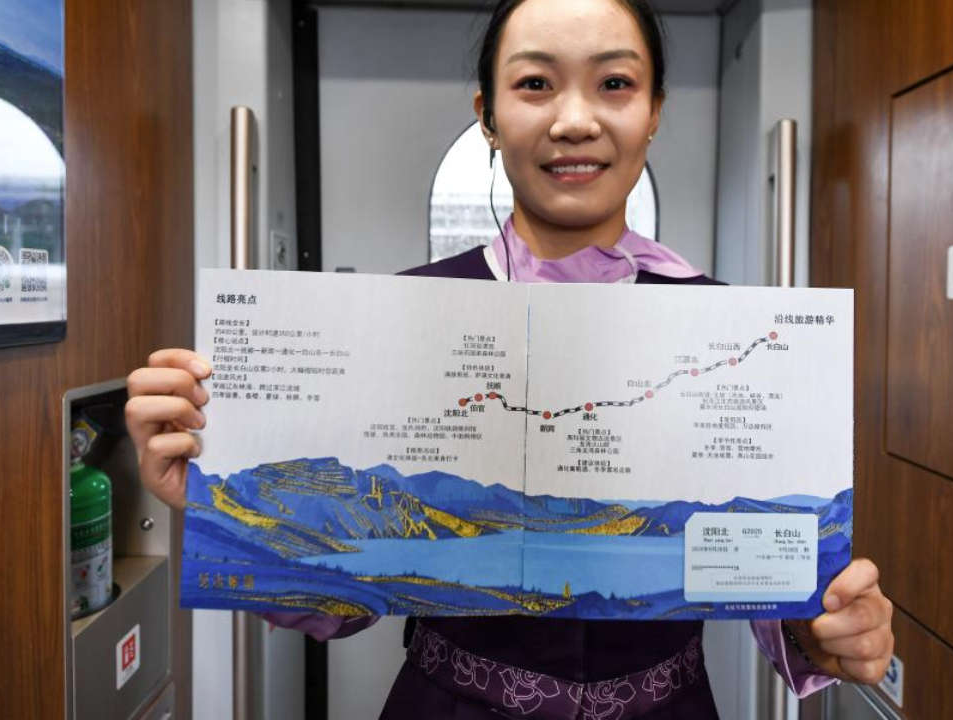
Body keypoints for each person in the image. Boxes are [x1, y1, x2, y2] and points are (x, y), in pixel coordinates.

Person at [125, 0, 894, 716]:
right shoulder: (401, 317)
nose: (575, 120)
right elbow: (339, 592)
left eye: (615, 84)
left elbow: (769, 577)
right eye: (535, 84)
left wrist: (824, 632)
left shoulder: (734, 335)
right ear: (488, 117)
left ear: (654, 112)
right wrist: (219, 496)